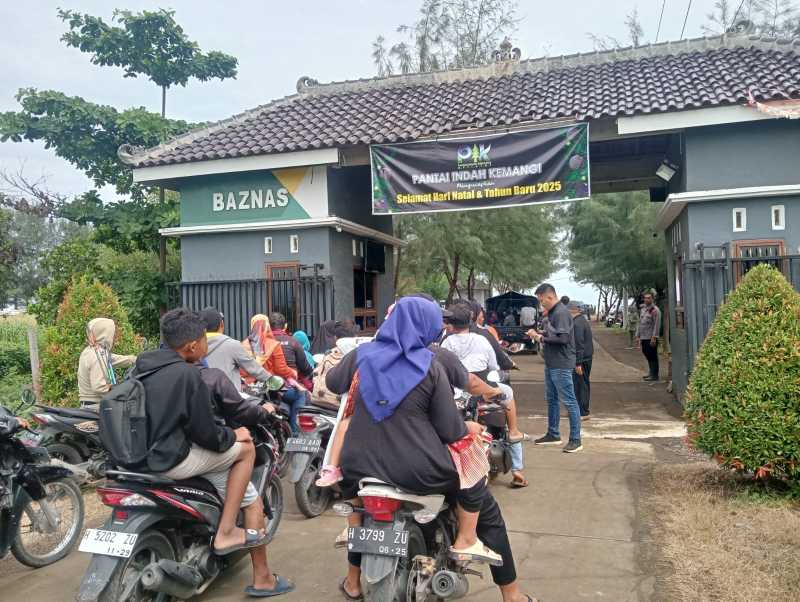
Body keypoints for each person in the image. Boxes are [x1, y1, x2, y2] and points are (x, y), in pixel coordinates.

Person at [326, 297, 536, 602]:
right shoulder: (430, 365)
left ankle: (353, 581)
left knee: (361, 515)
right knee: (482, 495)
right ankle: (508, 591)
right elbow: (451, 430)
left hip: (356, 467)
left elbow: (333, 383)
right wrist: (470, 427)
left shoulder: (362, 355)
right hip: (418, 471)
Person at [133, 308, 268, 560]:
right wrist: (234, 435)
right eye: (205, 339)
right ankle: (227, 531)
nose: (208, 344)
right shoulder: (189, 374)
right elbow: (208, 436)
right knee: (247, 449)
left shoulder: (142, 367)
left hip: (140, 456)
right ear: (192, 346)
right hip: (172, 459)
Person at [197, 364, 294, 597]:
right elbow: (239, 409)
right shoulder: (207, 375)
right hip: (195, 454)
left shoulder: (146, 372)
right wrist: (264, 411)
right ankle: (263, 578)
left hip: (151, 458)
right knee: (252, 502)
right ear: (192, 347)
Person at [442, 304, 529, 488]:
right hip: (482, 390)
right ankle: (515, 443)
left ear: (450, 322)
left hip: (454, 392)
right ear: (472, 319)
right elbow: (494, 366)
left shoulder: (446, 341)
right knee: (508, 392)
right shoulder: (482, 338)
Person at [528, 283, 582, 453]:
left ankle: (576, 439)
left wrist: (540, 338)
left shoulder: (560, 313)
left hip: (561, 364)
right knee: (551, 399)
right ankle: (553, 434)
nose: (541, 303)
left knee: (569, 401)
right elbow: (554, 334)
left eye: (541, 300)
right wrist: (539, 334)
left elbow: (563, 339)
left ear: (550, 297)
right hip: (552, 363)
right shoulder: (552, 313)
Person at [242, 314, 306, 432]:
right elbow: (281, 369)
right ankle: (295, 432)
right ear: (267, 326)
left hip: (248, 388)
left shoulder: (243, 345)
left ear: (252, 326)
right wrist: (292, 373)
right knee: (301, 395)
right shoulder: (273, 344)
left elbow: (241, 371)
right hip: (270, 387)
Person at [199, 307, 273, 391]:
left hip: (201, 394)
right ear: (222, 324)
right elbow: (255, 370)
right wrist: (272, 380)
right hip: (229, 396)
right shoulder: (232, 345)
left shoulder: (192, 346)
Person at [77, 318, 136, 408]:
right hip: (96, 407)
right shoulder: (97, 355)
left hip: (88, 406)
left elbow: (116, 359)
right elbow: (98, 387)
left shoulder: (91, 351)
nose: (113, 336)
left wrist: (136, 359)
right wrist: (119, 392)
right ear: (105, 334)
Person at [567, 301, 594, 420]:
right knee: (581, 384)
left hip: (582, 359)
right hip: (585, 357)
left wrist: (578, 363)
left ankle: (583, 412)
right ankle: (580, 410)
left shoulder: (577, 323)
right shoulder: (581, 320)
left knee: (581, 385)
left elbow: (579, 344)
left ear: (572, 310)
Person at [269, 312, 314, 381]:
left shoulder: (263, 342)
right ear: (285, 326)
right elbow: (305, 367)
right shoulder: (293, 342)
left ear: (268, 326)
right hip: (291, 381)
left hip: (268, 381)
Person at [636, 291, 662, 381]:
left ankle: (654, 375)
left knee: (652, 356)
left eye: (649, 298)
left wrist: (654, 337)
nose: (646, 299)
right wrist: (638, 335)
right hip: (644, 337)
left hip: (651, 337)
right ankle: (651, 372)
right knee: (646, 353)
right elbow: (640, 323)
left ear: (652, 299)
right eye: (645, 298)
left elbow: (657, 325)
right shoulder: (643, 309)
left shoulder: (655, 310)